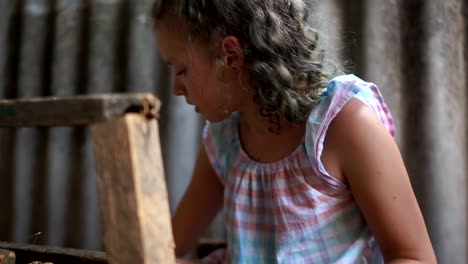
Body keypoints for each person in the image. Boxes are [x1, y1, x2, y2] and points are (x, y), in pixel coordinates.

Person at [151, 0, 436, 263]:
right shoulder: (224, 141)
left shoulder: (342, 123)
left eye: (181, 70)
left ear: (231, 56)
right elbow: (168, 246)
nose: (176, 89)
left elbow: (413, 256)